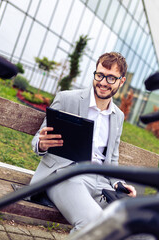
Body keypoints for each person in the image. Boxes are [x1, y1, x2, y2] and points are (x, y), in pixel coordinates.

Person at [30, 52, 137, 233]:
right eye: (99, 75)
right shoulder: (67, 99)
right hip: (65, 175)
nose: (103, 82)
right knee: (92, 226)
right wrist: (42, 144)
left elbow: (112, 159)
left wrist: (119, 183)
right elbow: (37, 140)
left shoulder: (118, 116)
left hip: (101, 183)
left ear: (121, 81)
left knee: (134, 229)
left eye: (111, 78)